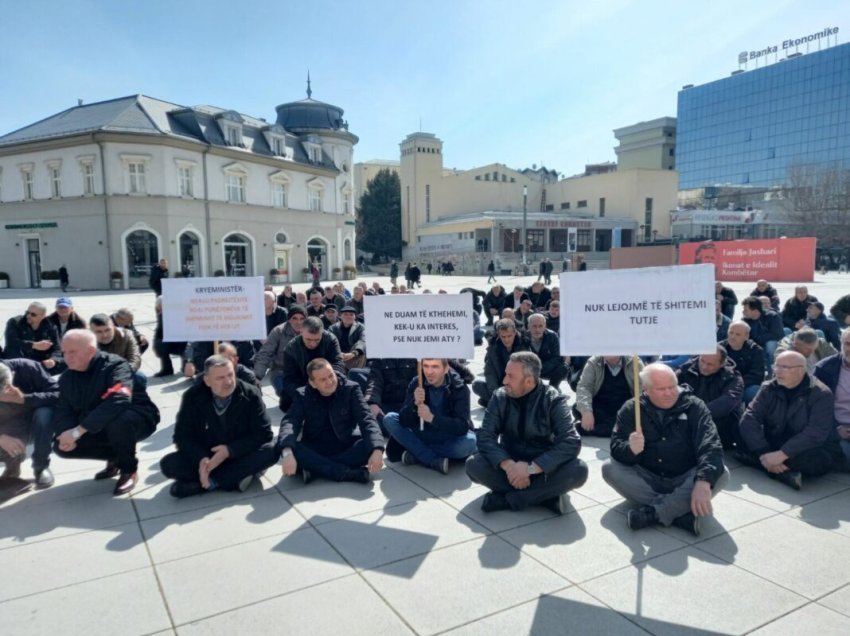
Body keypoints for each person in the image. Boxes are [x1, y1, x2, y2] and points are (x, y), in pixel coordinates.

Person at [602, 363, 728, 536]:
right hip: (648, 476)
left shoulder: (695, 406)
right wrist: (630, 449)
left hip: (684, 476)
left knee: (721, 473)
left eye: (672, 387)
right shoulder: (632, 408)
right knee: (609, 468)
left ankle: (653, 513)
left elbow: (710, 444)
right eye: (661, 389)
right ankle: (678, 512)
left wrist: (703, 480)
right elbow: (616, 449)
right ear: (646, 389)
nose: (669, 393)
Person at [466, 352, 588, 515]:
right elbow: (485, 436)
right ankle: (545, 497)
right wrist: (509, 465)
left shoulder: (552, 399)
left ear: (529, 381)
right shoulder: (500, 396)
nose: (504, 381)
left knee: (579, 470)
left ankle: (509, 499)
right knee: (473, 464)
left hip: (543, 468)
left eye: (510, 376)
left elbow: (571, 441)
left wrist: (532, 469)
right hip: (508, 465)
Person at [52, 330, 160, 495]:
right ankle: (116, 457)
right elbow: (63, 409)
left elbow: (119, 399)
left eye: (72, 352)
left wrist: (77, 431)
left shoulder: (115, 366)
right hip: (94, 424)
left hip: (137, 418)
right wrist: (66, 432)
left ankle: (128, 469)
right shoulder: (67, 378)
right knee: (61, 447)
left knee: (118, 420)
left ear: (90, 351)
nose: (67, 357)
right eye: (64, 352)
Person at [160, 355, 278, 498]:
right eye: (220, 378)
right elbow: (183, 436)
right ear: (207, 381)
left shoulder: (250, 394)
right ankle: (235, 477)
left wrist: (230, 450)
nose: (228, 382)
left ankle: (211, 482)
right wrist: (202, 459)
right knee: (169, 464)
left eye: (230, 375)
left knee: (272, 450)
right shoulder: (193, 396)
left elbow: (264, 434)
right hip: (209, 453)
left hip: (240, 452)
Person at [738, 351, 844, 490]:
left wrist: (782, 454)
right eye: (776, 366)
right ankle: (780, 471)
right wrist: (763, 451)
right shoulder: (769, 387)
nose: (777, 371)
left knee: (818, 461)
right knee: (739, 428)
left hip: (806, 446)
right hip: (776, 438)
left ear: (801, 370)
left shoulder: (821, 393)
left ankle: (757, 461)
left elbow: (816, 432)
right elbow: (750, 418)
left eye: (784, 368)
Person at [278, 358, 384, 483]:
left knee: (368, 446)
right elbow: (290, 422)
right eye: (323, 380)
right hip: (315, 446)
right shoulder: (302, 395)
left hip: (345, 444)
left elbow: (367, 419)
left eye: (331, 376)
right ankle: (347, 473)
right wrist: (287, 452)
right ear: (312, 383)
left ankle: (315, 469)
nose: (329, 381)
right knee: (289, 447)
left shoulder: (351, 389)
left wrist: (377, 449)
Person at [382, 358, 476, 474]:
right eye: (426, 366)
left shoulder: (459, 388)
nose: (429, 372)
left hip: (446, 437)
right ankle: (431, 459)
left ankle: (418, 454)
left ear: (446, 369)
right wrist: (414, 404)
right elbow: (403, 420)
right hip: (421, 433)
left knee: (470, 443)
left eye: (435, 367)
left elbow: (462, 427)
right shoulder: (417, 383)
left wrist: (432, 418)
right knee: (389, 418)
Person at [0, 359, 59, 487]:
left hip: (34, 423)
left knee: (45, 413)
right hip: (7, 429)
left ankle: (41, 466)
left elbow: (58, 394)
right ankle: (12, 466)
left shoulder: (28, 367)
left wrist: (24, 399)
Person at [676, 346, 743, 449]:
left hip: (718, 425)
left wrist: (696, 415)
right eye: (702, 361)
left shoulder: (733, 378)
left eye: (710, 364)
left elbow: (726, 403)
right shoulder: (686, 370)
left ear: (722, 364)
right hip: (686, 419)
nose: (704, 366)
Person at [280, 316, 345, 411]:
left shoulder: (330, 340)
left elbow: (338, 365)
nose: (313, 344)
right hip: (303, 385)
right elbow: (290, 379)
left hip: (327, 382)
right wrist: (307, 395)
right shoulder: (291, 348)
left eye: (317, 340)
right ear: (301, 331)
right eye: (308, 339)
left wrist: (328, 385)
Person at [574, 355, 642, 437]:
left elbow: (643, 388)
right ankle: (619, 429)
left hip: (625, 408)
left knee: (637, 416)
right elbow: (584, 387)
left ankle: (594, 429)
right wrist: (586, 411)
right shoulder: (594, 362)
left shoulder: (634, 362)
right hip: (601, 407)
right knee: (577, 409)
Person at [472, 319, 529, 407]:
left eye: (509, 336)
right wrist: (497, 393)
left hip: (518, 386)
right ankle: (500, 402)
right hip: (500, 385)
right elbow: (490, 373)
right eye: (503, 336)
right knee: (477, 385)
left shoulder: (524, 346)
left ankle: (493, 403)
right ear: (498, 335)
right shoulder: (493, 348)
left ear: (515, 332)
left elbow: (528, 373)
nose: (507, 340)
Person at [813, 329, 850, 466]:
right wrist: (836, 428)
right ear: (840, 344)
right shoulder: (824, 369)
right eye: (848, 344)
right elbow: (815, 408)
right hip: (837, 429)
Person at [3, 302, 61, 373]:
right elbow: (11, 342)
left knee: (68, 362)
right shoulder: (15, 322)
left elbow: (57, 348)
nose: (28, 316)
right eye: (27, 312)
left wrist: (53, 360)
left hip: (39, 361)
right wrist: (33, 345)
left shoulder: (50, 326)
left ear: (43, 316)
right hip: (18, 359)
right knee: (12, 350)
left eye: (33, 314)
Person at [719, 321, 765, 403]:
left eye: (737, 334)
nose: (733, 336)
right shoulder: (719, 349)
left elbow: (757, 375)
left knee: (755, 391)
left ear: (746, 336)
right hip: (721, 385)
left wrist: (736, 384)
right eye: (731, 333)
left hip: (744, 386)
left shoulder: (756, 350)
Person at [741, 296, 783, 374]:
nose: (743, 312)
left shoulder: (772, 316)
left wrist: (757, 339)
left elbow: (777, 334)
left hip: (770, 343)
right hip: (756, 344)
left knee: (771, 344)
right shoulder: (745, 320)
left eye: (746, 310)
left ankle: (773, 370)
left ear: (756, 311)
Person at [526, 314, 568, 391]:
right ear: (529, 326)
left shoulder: (552, 336)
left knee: (563, 368)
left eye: (540, 326)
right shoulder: (523, 337)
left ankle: (553, 388)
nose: (537, 330)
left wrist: (541, 367)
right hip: (530, 369)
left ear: (545, 326)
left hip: (547, 367)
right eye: (534, 326)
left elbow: (558, 357)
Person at [152, 296, 187, 378]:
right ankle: (171, 368)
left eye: (158, 306)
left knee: (160, 344)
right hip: (176, 341)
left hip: (182, 342)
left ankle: (176, 367)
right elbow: (159, 332)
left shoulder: (169, 314)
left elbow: (160, 332)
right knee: (160, 343)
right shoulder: (163, 314)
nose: (157, 307)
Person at [329, 306, 366, 370]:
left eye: (351, 315)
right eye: (346, 314)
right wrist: (338, 353)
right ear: (340, 316)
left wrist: (353, 353)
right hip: (337, 356)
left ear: (355, 317)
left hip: (354, 356)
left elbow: (363, 341)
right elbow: (329, 341)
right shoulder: (333, 328)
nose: (348, 317)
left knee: (361, 353)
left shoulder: (360, 328)